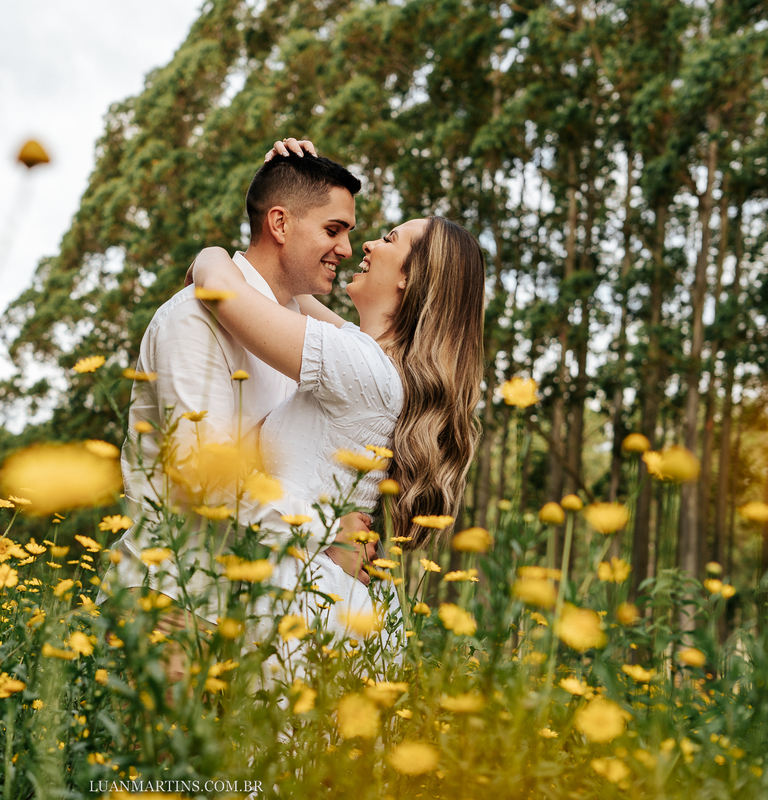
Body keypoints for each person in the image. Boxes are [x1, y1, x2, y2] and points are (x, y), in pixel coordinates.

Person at [188, 138, 486, 648]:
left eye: (389, 239)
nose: (365, 245)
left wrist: (210, 253)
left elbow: (222, 288)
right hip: (320, 589)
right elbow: (284, 280)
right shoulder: (369, 358)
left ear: (409, 279)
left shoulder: (360, 367)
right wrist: (279, 190)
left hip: (301, 597)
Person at [104, 142, 377, 656]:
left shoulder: (293, 334)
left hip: (249, 617)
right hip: (172, 607)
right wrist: (327, 529)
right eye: (333, 230)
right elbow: (201, 473)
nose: (344, 248)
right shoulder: (194, 319)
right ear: (279, 223)